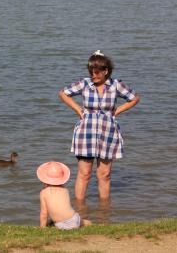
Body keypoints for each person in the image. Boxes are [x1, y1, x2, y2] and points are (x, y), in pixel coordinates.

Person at [59, 50, 140, 201]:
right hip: (86, 132)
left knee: (105, 175)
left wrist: (117, 111)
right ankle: (80, 210)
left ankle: (104, 213)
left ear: (106, 71)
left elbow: (134, 98)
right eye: (91, 72)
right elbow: (63, 93)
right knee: (84, 174)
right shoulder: (84, 83)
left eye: (96, 73)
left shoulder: (116, 85)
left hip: (108, 132)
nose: (93, 76)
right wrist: (78, 109)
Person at [37, 161, 91, 229]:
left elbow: (44, 214)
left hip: (62, 224)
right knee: (80, 221)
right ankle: (86, 222)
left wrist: (42, 228)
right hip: (74, 219)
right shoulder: (65, 190)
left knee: (50, 222)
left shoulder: (43, 193)